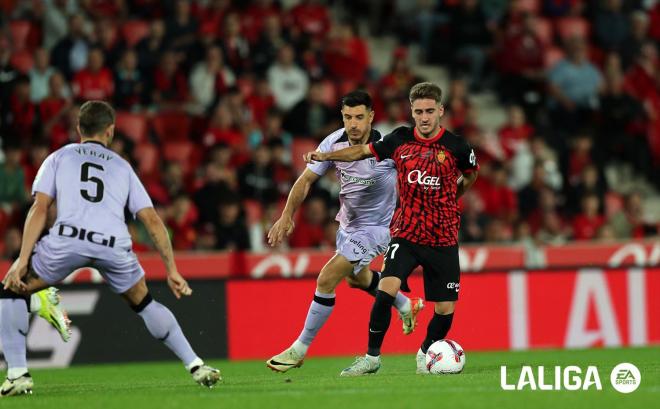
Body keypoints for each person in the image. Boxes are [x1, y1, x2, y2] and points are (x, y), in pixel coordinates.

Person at [0, 101, 220, 396]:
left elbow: (39, 208)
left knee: (11, 290)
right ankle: (196, 365)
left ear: (79, 128)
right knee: (144, 303)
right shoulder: (123, 167)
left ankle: (17, 373)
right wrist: (172, 270)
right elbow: (152, 220)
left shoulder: (59, 157)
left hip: (68, 239)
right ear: (111, 131)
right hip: (113, 244)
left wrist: (22, 260)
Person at [304, 82, 479, 376]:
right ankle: (372, 358)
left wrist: (452, 196)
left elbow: (472, 175)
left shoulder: (457, 146)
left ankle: (425, 353)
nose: (424, 117)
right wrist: (326, 155)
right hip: (406, 233)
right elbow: (361, 152)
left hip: (443, 236)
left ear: (440, 111)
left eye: (429, 111)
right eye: (418, 111)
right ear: (411, 111)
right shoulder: (399, 139)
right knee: (385, 292)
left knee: (445, 310)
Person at [266, 91, 424, 373]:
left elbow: (415, 179)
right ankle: (404, 304)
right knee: (356, 278)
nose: (353, 124)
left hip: (378, 228)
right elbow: (305, 181)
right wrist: (286, 215)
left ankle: (299, 349)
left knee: (326, 278)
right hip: (348, 226)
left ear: (371, 117)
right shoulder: (333, 141)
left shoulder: (386, 146)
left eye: (359, 117)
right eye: (348, 117)